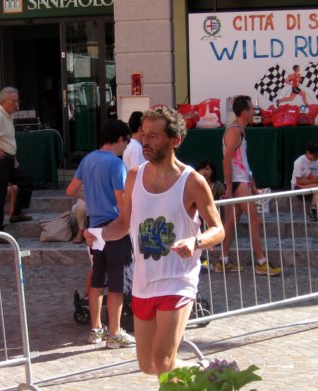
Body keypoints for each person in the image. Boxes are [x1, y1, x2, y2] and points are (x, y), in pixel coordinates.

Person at [84, 106, 224, 376]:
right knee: (148, 365)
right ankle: (202, 372)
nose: (145, 141)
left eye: (154, 136)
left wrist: (195, 242)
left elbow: (218, 230)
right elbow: (123, 224)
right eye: (144, 134)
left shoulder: (192, 181)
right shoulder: (134, 176)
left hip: (177, 282)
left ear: (175, 141)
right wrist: (98, 234)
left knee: (162, 361)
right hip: (143, 284)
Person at [65, 119, 136, 349]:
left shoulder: (88, 159)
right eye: (126, 142)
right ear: (120, 139)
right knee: (117, 282)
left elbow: (70, 190)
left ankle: (96, 330)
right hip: (114, 227)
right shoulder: (116, 164)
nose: (126, 147)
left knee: (97, 279)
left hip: (94, 226)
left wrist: (91, 198)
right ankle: (114, 333)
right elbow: (121, 201)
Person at [215, 95, 281, 276]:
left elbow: (243, 161)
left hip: (241, 181)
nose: (254, 112)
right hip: (238, 182)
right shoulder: (235, 131)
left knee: (231, 222)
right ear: (244, 112)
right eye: (252, 109)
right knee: (255, 220)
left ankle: (223, 260)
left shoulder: (239, 130)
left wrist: (252, 184)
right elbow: (226, 159)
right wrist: (230, 187)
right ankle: (261, 262)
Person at [0, 86, 33, 232]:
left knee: (26, 181)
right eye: (13, 101)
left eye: (18, 101)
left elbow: (7, 139)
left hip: (9, 159)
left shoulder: (8, 115)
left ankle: (16, 213)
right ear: (3, 101)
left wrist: (14, 157)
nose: (17, 105)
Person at [290, 140, 318, 222]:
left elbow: (317, 177)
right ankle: (312, 210)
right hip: (298, 187)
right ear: (308, 152)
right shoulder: (299, 162)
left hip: (313, 184)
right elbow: (298, 181)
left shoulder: (316, 161)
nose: (316, 158)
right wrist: (314, 181)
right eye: (315, 155)